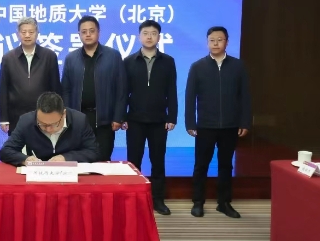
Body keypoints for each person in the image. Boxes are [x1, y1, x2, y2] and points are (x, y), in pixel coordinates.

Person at [185, 26, 251, 219]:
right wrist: (190, 123)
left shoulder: (238, 66)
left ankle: (224, 203)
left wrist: (245, 122)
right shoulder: (198, 66)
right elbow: (190, 97)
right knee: (201, 165)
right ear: (207, 42)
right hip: (205, 125)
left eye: (219, 40)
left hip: (230, 125)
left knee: (226, 165)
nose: (215, 43)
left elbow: (245, 97)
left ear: (227, 42)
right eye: (212, 40)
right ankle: (198, 202)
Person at [122, 20, 178, 215]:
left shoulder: (168, 61)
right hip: (135, 120)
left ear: (159, 37)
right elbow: (124, 92)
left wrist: (172, 117)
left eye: (153, 33)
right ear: (139, 36)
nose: (149, 36)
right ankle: (133, 199)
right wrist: (122, 116)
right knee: (133, 162)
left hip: (159, 120)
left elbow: (172, 91)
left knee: (158, 161)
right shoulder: (129, 61)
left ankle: (158, 200)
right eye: (145, 33)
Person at [61, 15, 126, 161]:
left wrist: (118, 117)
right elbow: (66, 90)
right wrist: (67, 116)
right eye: (84, 32)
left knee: (103, 160)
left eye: (91, 31)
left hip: (105, 120)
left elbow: (121, 89)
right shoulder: (71, 58)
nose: (88, 34)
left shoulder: (113, 56)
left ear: (98, 32)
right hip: (78, 120)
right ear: (79, 34)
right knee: (79, 160)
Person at [0, 17, 61, 134]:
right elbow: (3, 90)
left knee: (43, 145)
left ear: (37, 33)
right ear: (18, 34)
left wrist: (56, 114)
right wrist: (3, 118)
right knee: (18, 145)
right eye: (23, 32)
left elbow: (55, 88)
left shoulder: (49, 56)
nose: (27, 35)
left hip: (44, 115)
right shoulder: (8, 58)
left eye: (31, 32)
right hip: (16, 116)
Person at [0, 92, 99, 166]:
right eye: (42, 124)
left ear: (64, 114)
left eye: (54, 124)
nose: (48, 129)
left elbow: (94, 152)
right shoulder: (26, 121)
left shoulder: (79, 121)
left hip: (71, 175)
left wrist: (66, 158)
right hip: (38, 176)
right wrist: (26, 159)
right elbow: (6, 151)